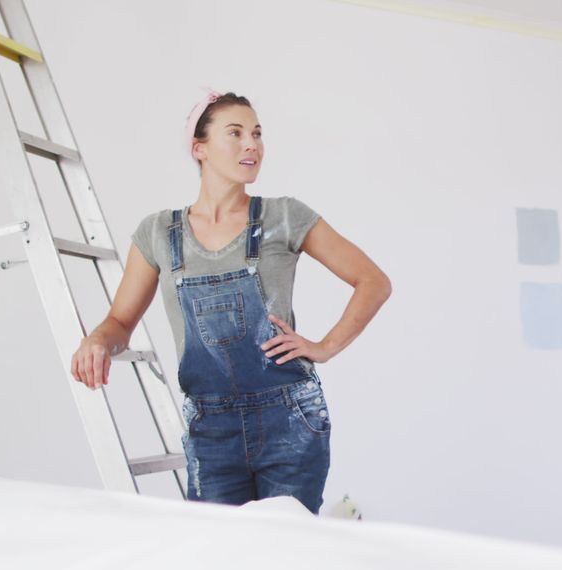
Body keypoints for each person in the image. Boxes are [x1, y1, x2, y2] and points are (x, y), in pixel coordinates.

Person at [69, 89, 391, 514]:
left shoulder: (285, 215)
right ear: (199, 148)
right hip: (211, 429)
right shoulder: (159, 233)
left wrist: (325, 347)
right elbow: (120, 322)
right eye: (235, 133)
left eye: (257, 133)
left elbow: (373, 281)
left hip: (291, 421)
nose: (252, 144)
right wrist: (97, 340)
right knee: (218, 554)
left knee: (285, 556)